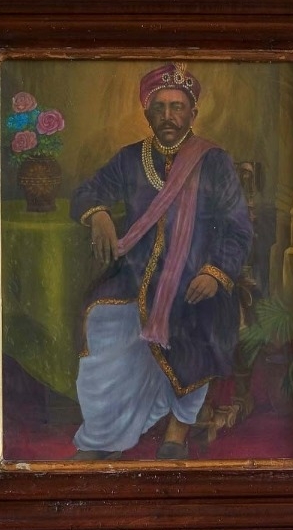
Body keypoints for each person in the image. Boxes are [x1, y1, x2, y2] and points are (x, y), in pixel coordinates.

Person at [69, 62, 253, 460]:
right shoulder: (129, 158)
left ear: (193, 113)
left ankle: (176, 434)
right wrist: (98, 214)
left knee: (196, 331)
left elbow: (238, 228)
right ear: (147, 112)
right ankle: (104, 435)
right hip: (134, 276)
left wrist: (215, 273)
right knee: (103, 323)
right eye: (160, 107)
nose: (168, 115)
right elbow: (85, 192)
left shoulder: (214, 161)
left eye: (177, 107)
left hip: (196, 278)